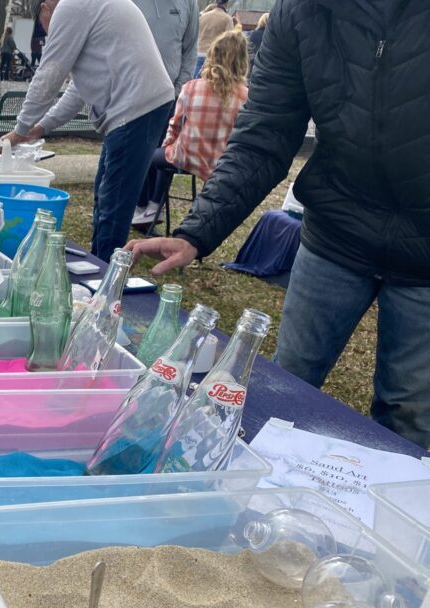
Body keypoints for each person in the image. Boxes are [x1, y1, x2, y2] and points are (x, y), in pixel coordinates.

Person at [128, 0, 430, 449]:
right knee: (285, 389)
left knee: (411, 420)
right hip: (335, 235)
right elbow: (264, 133)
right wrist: (197, 231)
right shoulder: (303, 11)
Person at [4, 0, 173, 264]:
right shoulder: (88, 8)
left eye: (43, 26)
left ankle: (104, 280)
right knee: (105, 192)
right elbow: (77, 90)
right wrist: (40, 127)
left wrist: (19, 130)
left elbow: (49, 74)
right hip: (139, 104)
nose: (48, 33)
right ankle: (99, 263)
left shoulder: (70, 7)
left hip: (136, 107)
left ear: (46, 8)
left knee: (114, 203)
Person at [132, 30, 248, 227]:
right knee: (166, 155)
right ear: (242, 60)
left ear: (212, 55)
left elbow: (175, 125)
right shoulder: (245, 96)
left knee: (152, 157)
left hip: (184, 157)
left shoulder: (191, 87)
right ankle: (155, 208)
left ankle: (148, 206)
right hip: (219, 164)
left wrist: (168, 145)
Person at [131, 0, 196, 96]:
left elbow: (190, 50)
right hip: (132, 91)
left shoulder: (189, 3)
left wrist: (178, 91)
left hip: (170, 96)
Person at [194, 0, 233, 77]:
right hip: (215, 56)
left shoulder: (203, 17)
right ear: (226, 3)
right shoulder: (227, 19)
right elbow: (230, 40)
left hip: (200, 52)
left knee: (195, 82)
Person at [247, 12, 268, 80]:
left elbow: (249, 51)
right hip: (265, 68)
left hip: (252, 66)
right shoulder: (270, 37)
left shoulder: (252, 34)